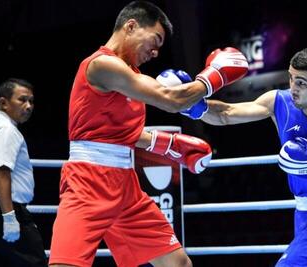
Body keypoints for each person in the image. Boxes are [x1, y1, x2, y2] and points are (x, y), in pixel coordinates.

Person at [48, 1, 248, 267]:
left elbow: (120, 133)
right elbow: (170, 99)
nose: (155, 52)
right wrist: (214, 77)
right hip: (88, 182)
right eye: (155, 40)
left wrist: (166, 143)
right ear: (131, 26)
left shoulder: (131, 76)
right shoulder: (102, 65)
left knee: (178, 263)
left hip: (126, 185)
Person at [184, 46, 307, 266]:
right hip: (303, 215)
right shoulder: (280, 103)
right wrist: (190, 104)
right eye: (291, 78)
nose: (293, 88)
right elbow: (226, 114)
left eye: (302, 83)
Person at [0, 78, 47, 267]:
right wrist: (9, 217)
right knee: (34, 262)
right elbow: (1, 172)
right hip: (4, 209)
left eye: (31, 101)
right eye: (22, 100)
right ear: (3, 103)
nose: (28, 106)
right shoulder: (5, 130)